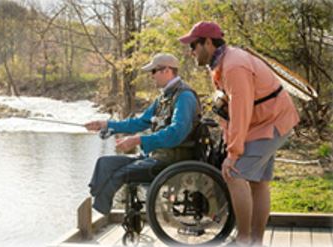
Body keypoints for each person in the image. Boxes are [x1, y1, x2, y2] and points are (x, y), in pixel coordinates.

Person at [179, 22, 299, 246]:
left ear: (208, 42)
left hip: (272, 121)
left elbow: (240, 111)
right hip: (262, 121)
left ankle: (244, 240)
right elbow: (228, 109)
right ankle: (255, 241)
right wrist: (229, 138)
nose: (191, 51)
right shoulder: (219, 64)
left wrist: (233, 153)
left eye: (193, 45)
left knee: (234, 174)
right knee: (258, 182)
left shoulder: (234, 66)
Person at [84, 53, 201, 215]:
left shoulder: (184, 97)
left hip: (172, 161)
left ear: (167, 70)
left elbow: (176, 133)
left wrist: (138, 140)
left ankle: (100, 212)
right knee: (105, 163)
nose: (151, 76)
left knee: (120, 174)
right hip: (156, 156)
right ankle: (98, 204)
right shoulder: (163, 98)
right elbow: (138, 123)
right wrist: (106, 124)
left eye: (153, 71)